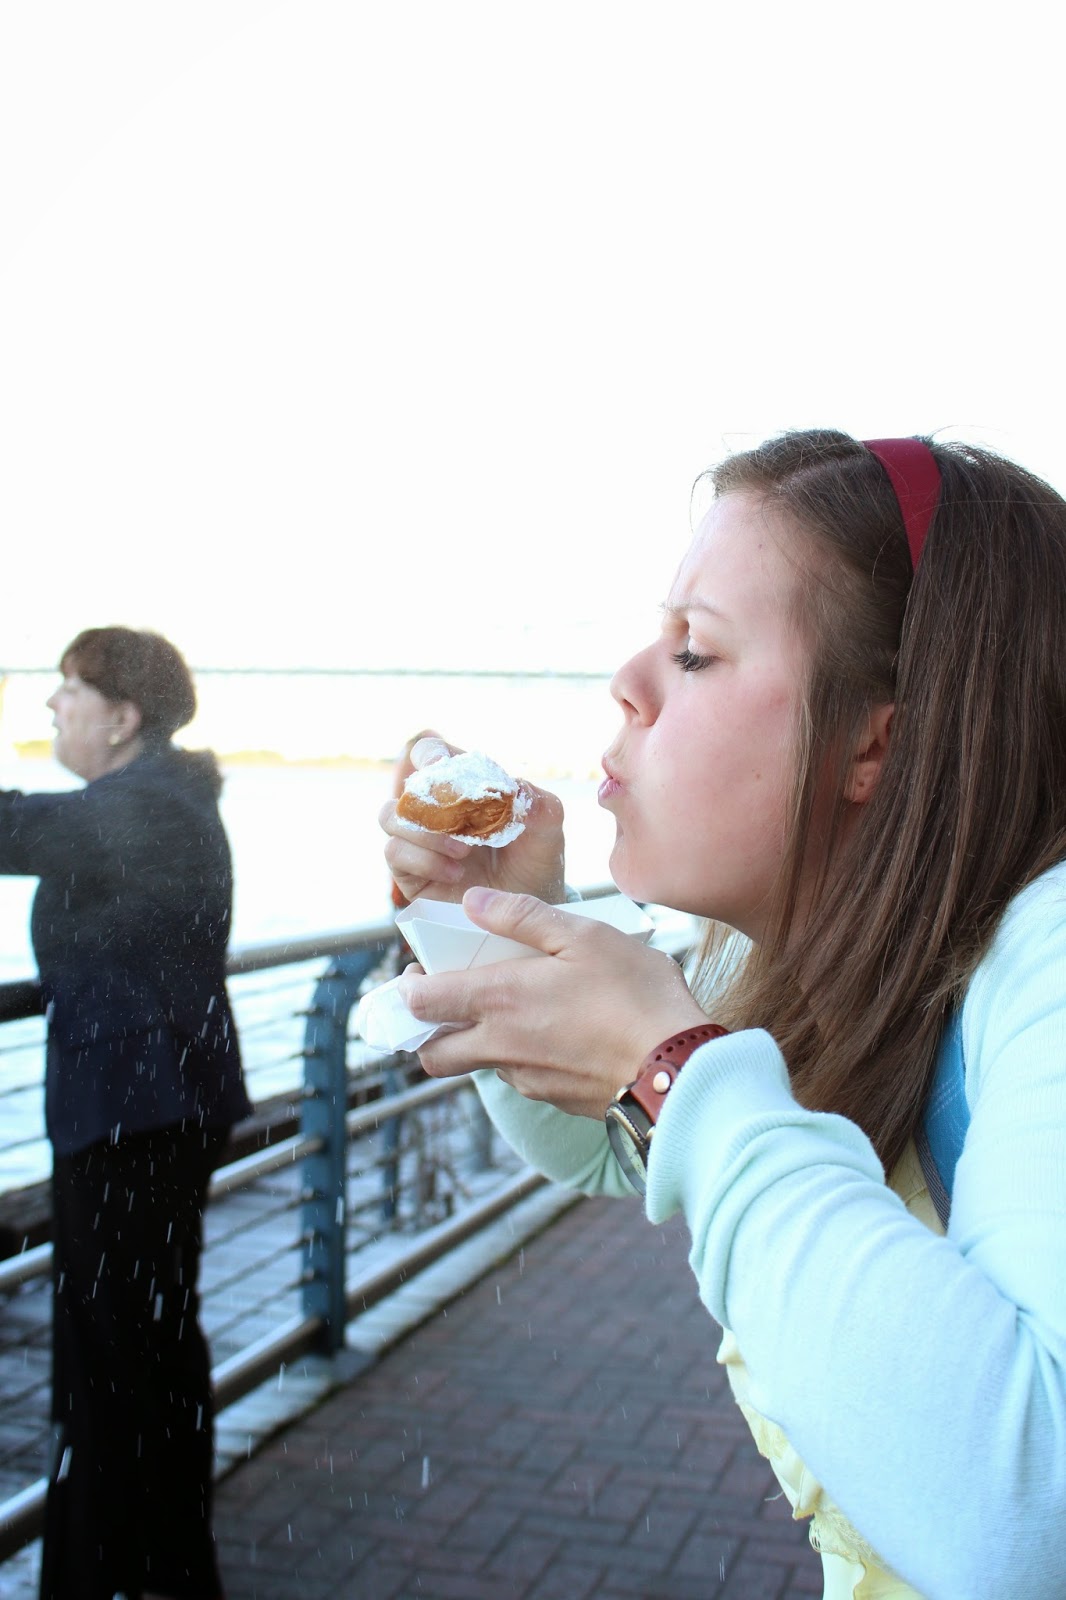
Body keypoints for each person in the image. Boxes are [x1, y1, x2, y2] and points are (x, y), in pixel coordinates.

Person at [380, 431, 1066, 1600]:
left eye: (692, 651)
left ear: (875, 740)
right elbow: (609, 1149)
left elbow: (1024, 1520)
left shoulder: (1046, 952)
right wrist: (492, 926)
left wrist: (671, 1061)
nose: (626, 681)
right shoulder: (801, 951)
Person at [0, 626, 251, 1600]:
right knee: (144, 1351)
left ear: (122, 717)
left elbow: (16, 829)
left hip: (134, 1115)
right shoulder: (162, 800)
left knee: (116, 1363)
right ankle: (156, 1569)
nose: (52, 705)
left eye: (68, 688)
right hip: (150, 1106)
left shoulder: (144, 804)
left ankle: (122, 1576)